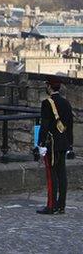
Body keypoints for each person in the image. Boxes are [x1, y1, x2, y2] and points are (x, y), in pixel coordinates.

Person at [37, 76, 74, 215]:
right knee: (62, 174)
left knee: (51, 175)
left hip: (51, 144)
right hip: (64, 143)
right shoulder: (66, 103)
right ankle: (61, 205)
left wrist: (40, 143)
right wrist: (70, 144)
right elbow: (69, 126)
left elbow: (45, 125)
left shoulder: (47, 103)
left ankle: (51, 205)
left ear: (49, 86)